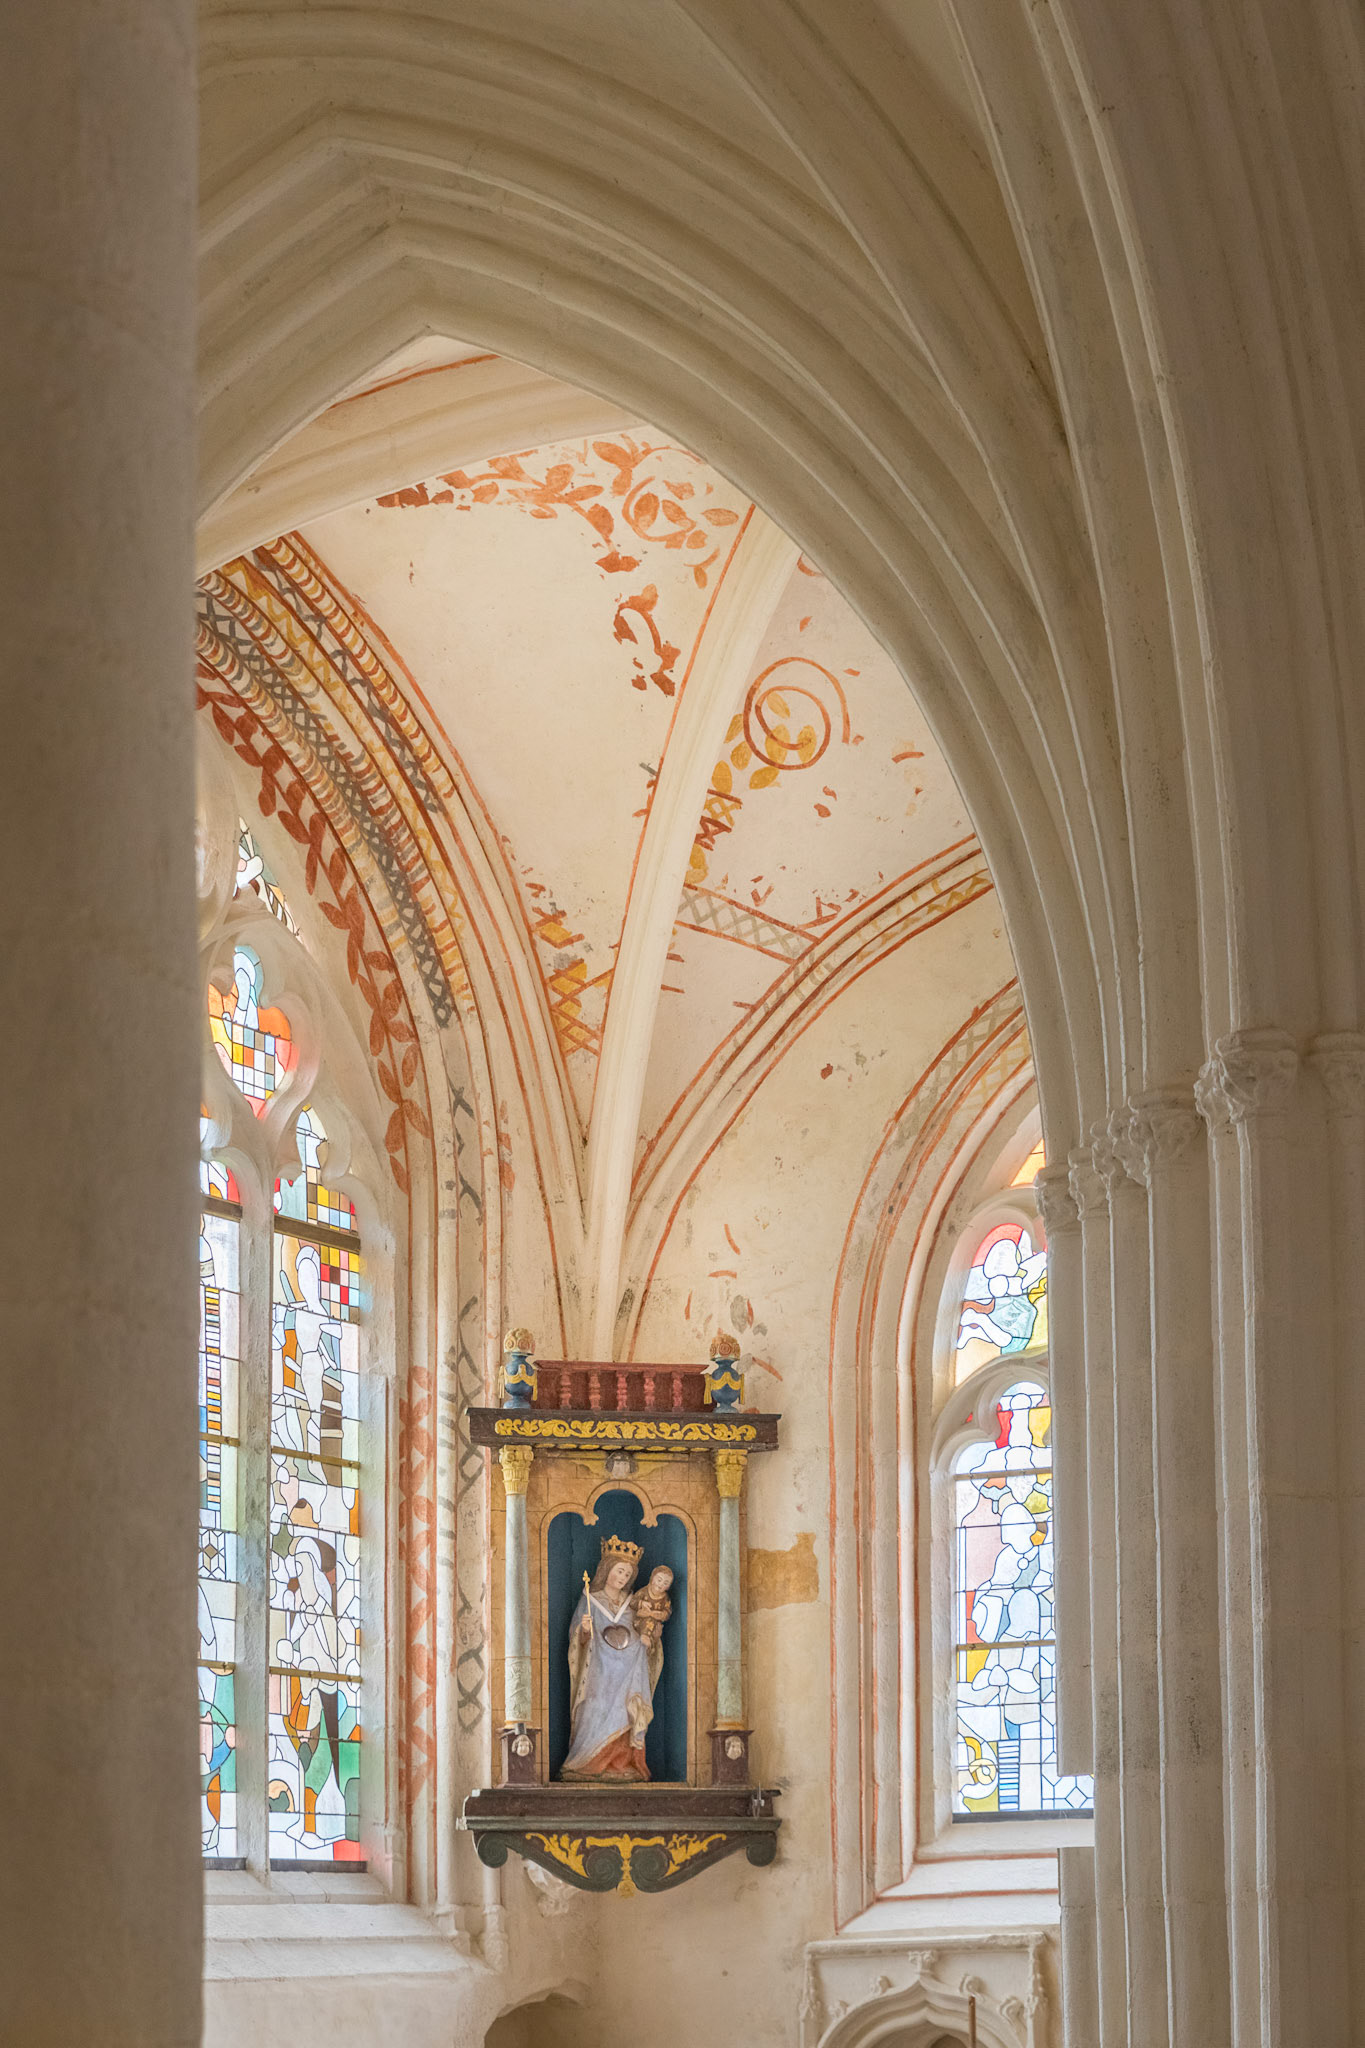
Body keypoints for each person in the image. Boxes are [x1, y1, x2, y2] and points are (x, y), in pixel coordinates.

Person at [560, 1539, 659, 1780]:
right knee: (595, 1709)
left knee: (627, 1711)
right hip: (598, 1670)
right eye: (619, 1571)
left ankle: (621, 1765)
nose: (623, 1577)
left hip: (628, 1670)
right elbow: (577, 1640)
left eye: (627, 1573)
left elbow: (646, 1628)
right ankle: (585, 1764)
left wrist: (650, 1638)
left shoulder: (634, 1602)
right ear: (607, 1569)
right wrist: (584, 1631)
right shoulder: (590, 1598)